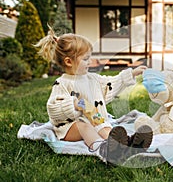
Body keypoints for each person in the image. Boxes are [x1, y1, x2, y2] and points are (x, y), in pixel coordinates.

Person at [34, 26, 153, 164]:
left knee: (106, 127)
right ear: (68, 61)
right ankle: (104, 150)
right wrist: (73, 104)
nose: (89, 62)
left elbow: (110, 84)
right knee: (84, 127)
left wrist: (131, 73)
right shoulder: (62, 83)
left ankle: (128, 145)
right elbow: (53, 108)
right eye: (85, 59)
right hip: (71, 127)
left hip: (94, 118)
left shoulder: (92, 79)